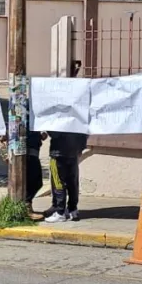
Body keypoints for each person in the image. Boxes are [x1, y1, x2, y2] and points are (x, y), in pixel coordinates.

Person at [46, 61, 88, 223]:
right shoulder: (78, 113)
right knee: (72, 182)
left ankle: (60, 211)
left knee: (59, 182)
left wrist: (47, 127)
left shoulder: (59, 114)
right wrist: (80, 148)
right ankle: (73, 209)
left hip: (59, 153)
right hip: (73, 152)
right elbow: (84, 132)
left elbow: (55, 134)